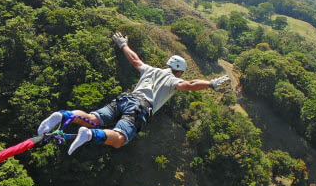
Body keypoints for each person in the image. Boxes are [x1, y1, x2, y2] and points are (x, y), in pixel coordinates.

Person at [38, 32, 230, 154]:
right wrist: (210, 84)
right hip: (139, 108)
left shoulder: (150, 69)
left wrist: (123, 45)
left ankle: (62, 115)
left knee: (93, 117)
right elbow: (189, 84)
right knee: (119, 139)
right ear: (179, 71)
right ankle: (89, 134)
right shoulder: (174, 80)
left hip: (125, 98)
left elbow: (135, 60)